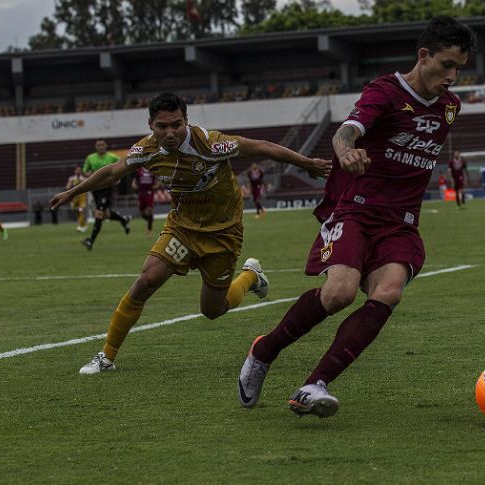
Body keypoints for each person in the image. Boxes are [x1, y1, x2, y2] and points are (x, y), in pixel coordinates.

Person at [237, 16, 477, 418]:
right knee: (339, 295)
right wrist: (347, 151)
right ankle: (264, 351)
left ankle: (314, 385)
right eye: (447, 65)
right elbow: (347, 131)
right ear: (424, 55)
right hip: (356, 209)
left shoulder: (449, 108)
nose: (453, 76)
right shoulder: (383, 92)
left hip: (400, 222)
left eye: (459, 68)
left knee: (388, 291)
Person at [48, 92, 331, 374]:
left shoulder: (210, 144)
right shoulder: (146, 150)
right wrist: (73, 191)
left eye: (176, 124)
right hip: (182, 229)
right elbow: (113, 172)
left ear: (186, 121)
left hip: (223, 233)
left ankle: (250, 277)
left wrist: (306, 163)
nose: (170, 133)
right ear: (151, 125)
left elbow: (259, 147)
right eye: (162, 127)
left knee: (212, 310)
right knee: (146, 281)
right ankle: (107, 356)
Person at [81, 139, 132, 250]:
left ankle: (91, 240)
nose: (100, 147)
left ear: (106, 146)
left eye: (102, 145)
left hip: (107, 188)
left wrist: (118, 177)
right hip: (95, 189)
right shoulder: (90, 158)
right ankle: (124, 219)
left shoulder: (112, 157)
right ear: (95, 146)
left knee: (99, 213)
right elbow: (85, 171)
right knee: (106, 215)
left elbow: (123, 167)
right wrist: (87, 174)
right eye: (98, 145)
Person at [131, 166, 162, 235]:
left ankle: (149, 229)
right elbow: (135, 180)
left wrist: (157, 185)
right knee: (141, 212)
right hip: (141, 192)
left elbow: (159, 178)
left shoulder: (153, 170)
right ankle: (150, 221)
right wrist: (134, 185)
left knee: (149, 210)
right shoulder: (139, 170)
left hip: (149, 192)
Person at [66, 166, 88, 232]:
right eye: (77, 170)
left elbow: (87, 187)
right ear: (75, 171)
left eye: (79, 170)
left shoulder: (83, 179)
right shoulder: (71, 179)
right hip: (74, 198)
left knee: (81, 210)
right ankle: (83, 225)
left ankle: (80, 226)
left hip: (82, 197)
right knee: (77, 212)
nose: (78, 171)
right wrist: (69, 186)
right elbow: (67, 187)